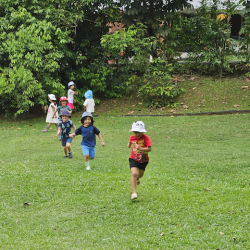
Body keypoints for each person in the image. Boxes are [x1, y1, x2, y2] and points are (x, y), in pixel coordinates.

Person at [127, 121, 151, 200]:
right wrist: (129, 144)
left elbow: (149, 149)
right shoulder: (132, 137)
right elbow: (130, 143)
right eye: (135, 132)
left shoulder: (146, 138)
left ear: (143, 131)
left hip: (143, 160)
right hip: (133, 158)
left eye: (139, 132)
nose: (137, 134)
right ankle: (134, 193)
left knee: (139, 175)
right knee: (134, 173)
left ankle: (138, 178)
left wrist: (140, 148)